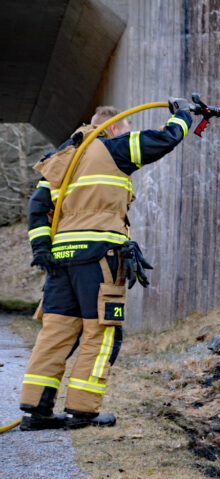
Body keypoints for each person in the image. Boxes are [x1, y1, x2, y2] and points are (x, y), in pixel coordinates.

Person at [19, 104, 192, 430]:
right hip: (99, 257)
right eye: (125, 129)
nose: (128, 134)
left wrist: (41, 249)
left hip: (61, 261)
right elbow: (163, 140)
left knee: (56, 333)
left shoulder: (62, 157)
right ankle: (82, 411)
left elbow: (37, 207)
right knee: (102, 331)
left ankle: (35, 412)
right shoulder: (112, 148)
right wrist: (182, 115)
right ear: (112, 128)